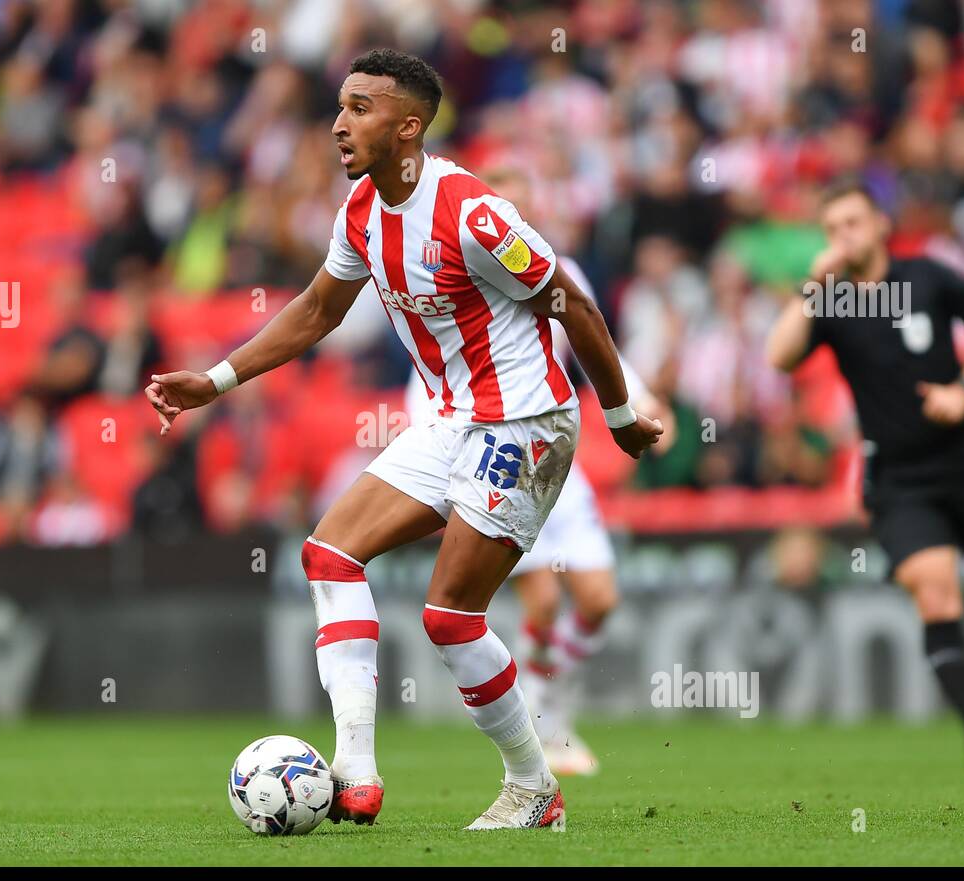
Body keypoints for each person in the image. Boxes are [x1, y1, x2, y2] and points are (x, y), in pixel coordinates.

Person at [146, 49, 662, 828]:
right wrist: (214, 382)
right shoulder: (359, 209)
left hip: (526, 421)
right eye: (341, 107)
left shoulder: (473, 213)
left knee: (450, 617)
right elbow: (318, 312)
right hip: (450, 420)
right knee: (329, 551)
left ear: (408, 127)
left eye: (359, 108)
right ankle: (355, 768)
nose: (338, 123)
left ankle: (535, 789)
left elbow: (576, 308)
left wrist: (621, 420)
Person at [376, 160, 668, 776]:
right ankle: (535, 724)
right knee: (540, 603)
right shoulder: (454, 273)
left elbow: (592, 336)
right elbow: (430, 376)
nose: (507, 223)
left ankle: (548, 700)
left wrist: (635, 400)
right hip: (494, 452)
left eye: (519, 207)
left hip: (554, 453)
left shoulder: (553, 269)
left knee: (598, 599)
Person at [766, 179, 964, 769]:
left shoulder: (927, 276)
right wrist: (812, 285)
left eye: (851, 223)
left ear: (879, 227)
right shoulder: (835, 300)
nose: (842, 237)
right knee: (935, 589)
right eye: (831, 229)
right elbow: (780, 354)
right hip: (899, 477)